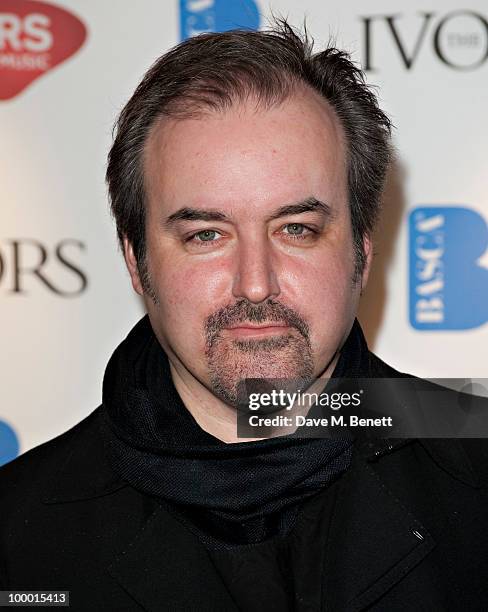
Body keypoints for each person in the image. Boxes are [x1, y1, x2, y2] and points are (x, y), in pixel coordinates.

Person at [1, 21, 488, 612]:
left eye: (296, 229)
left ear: (362, 249)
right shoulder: (18, 534)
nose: (255, 283)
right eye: (206, 234)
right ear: (136, 261)